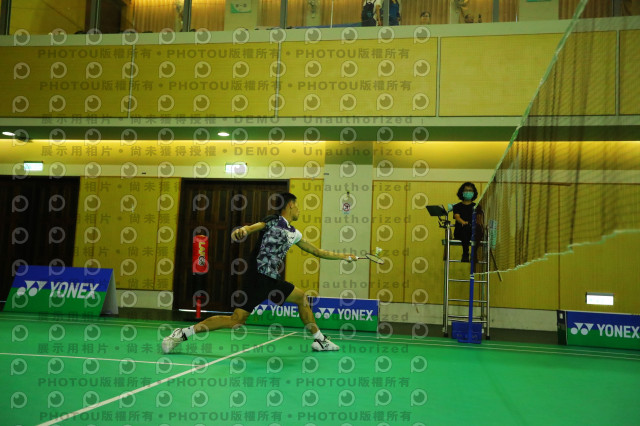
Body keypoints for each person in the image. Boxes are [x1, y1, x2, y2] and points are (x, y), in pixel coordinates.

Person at [162, 192, 356, 354]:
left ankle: (320, 340)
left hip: (273, 280)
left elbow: (317, 251)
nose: (299, 209)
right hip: (257, 277)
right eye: (297, 205)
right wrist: (244, 230)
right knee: (236, 321)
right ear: (290, 205)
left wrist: (344, 256)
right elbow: (255, 226)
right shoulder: (273, 221)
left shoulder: (294, 233)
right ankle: (183, 333)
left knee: (302, 298)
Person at [452, 182, 478, 262]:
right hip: (460, 231)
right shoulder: (457, 206)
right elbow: (457, 217)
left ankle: (474, 254)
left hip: (472, 231)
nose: (468, 192)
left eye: (470, 190)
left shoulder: (476, 206)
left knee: (476, 231)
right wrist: (463, 222)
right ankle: (465, 254)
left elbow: (478, 219)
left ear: (473, 193)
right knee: (465, 228)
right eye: (466, 190)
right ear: (462, 192)